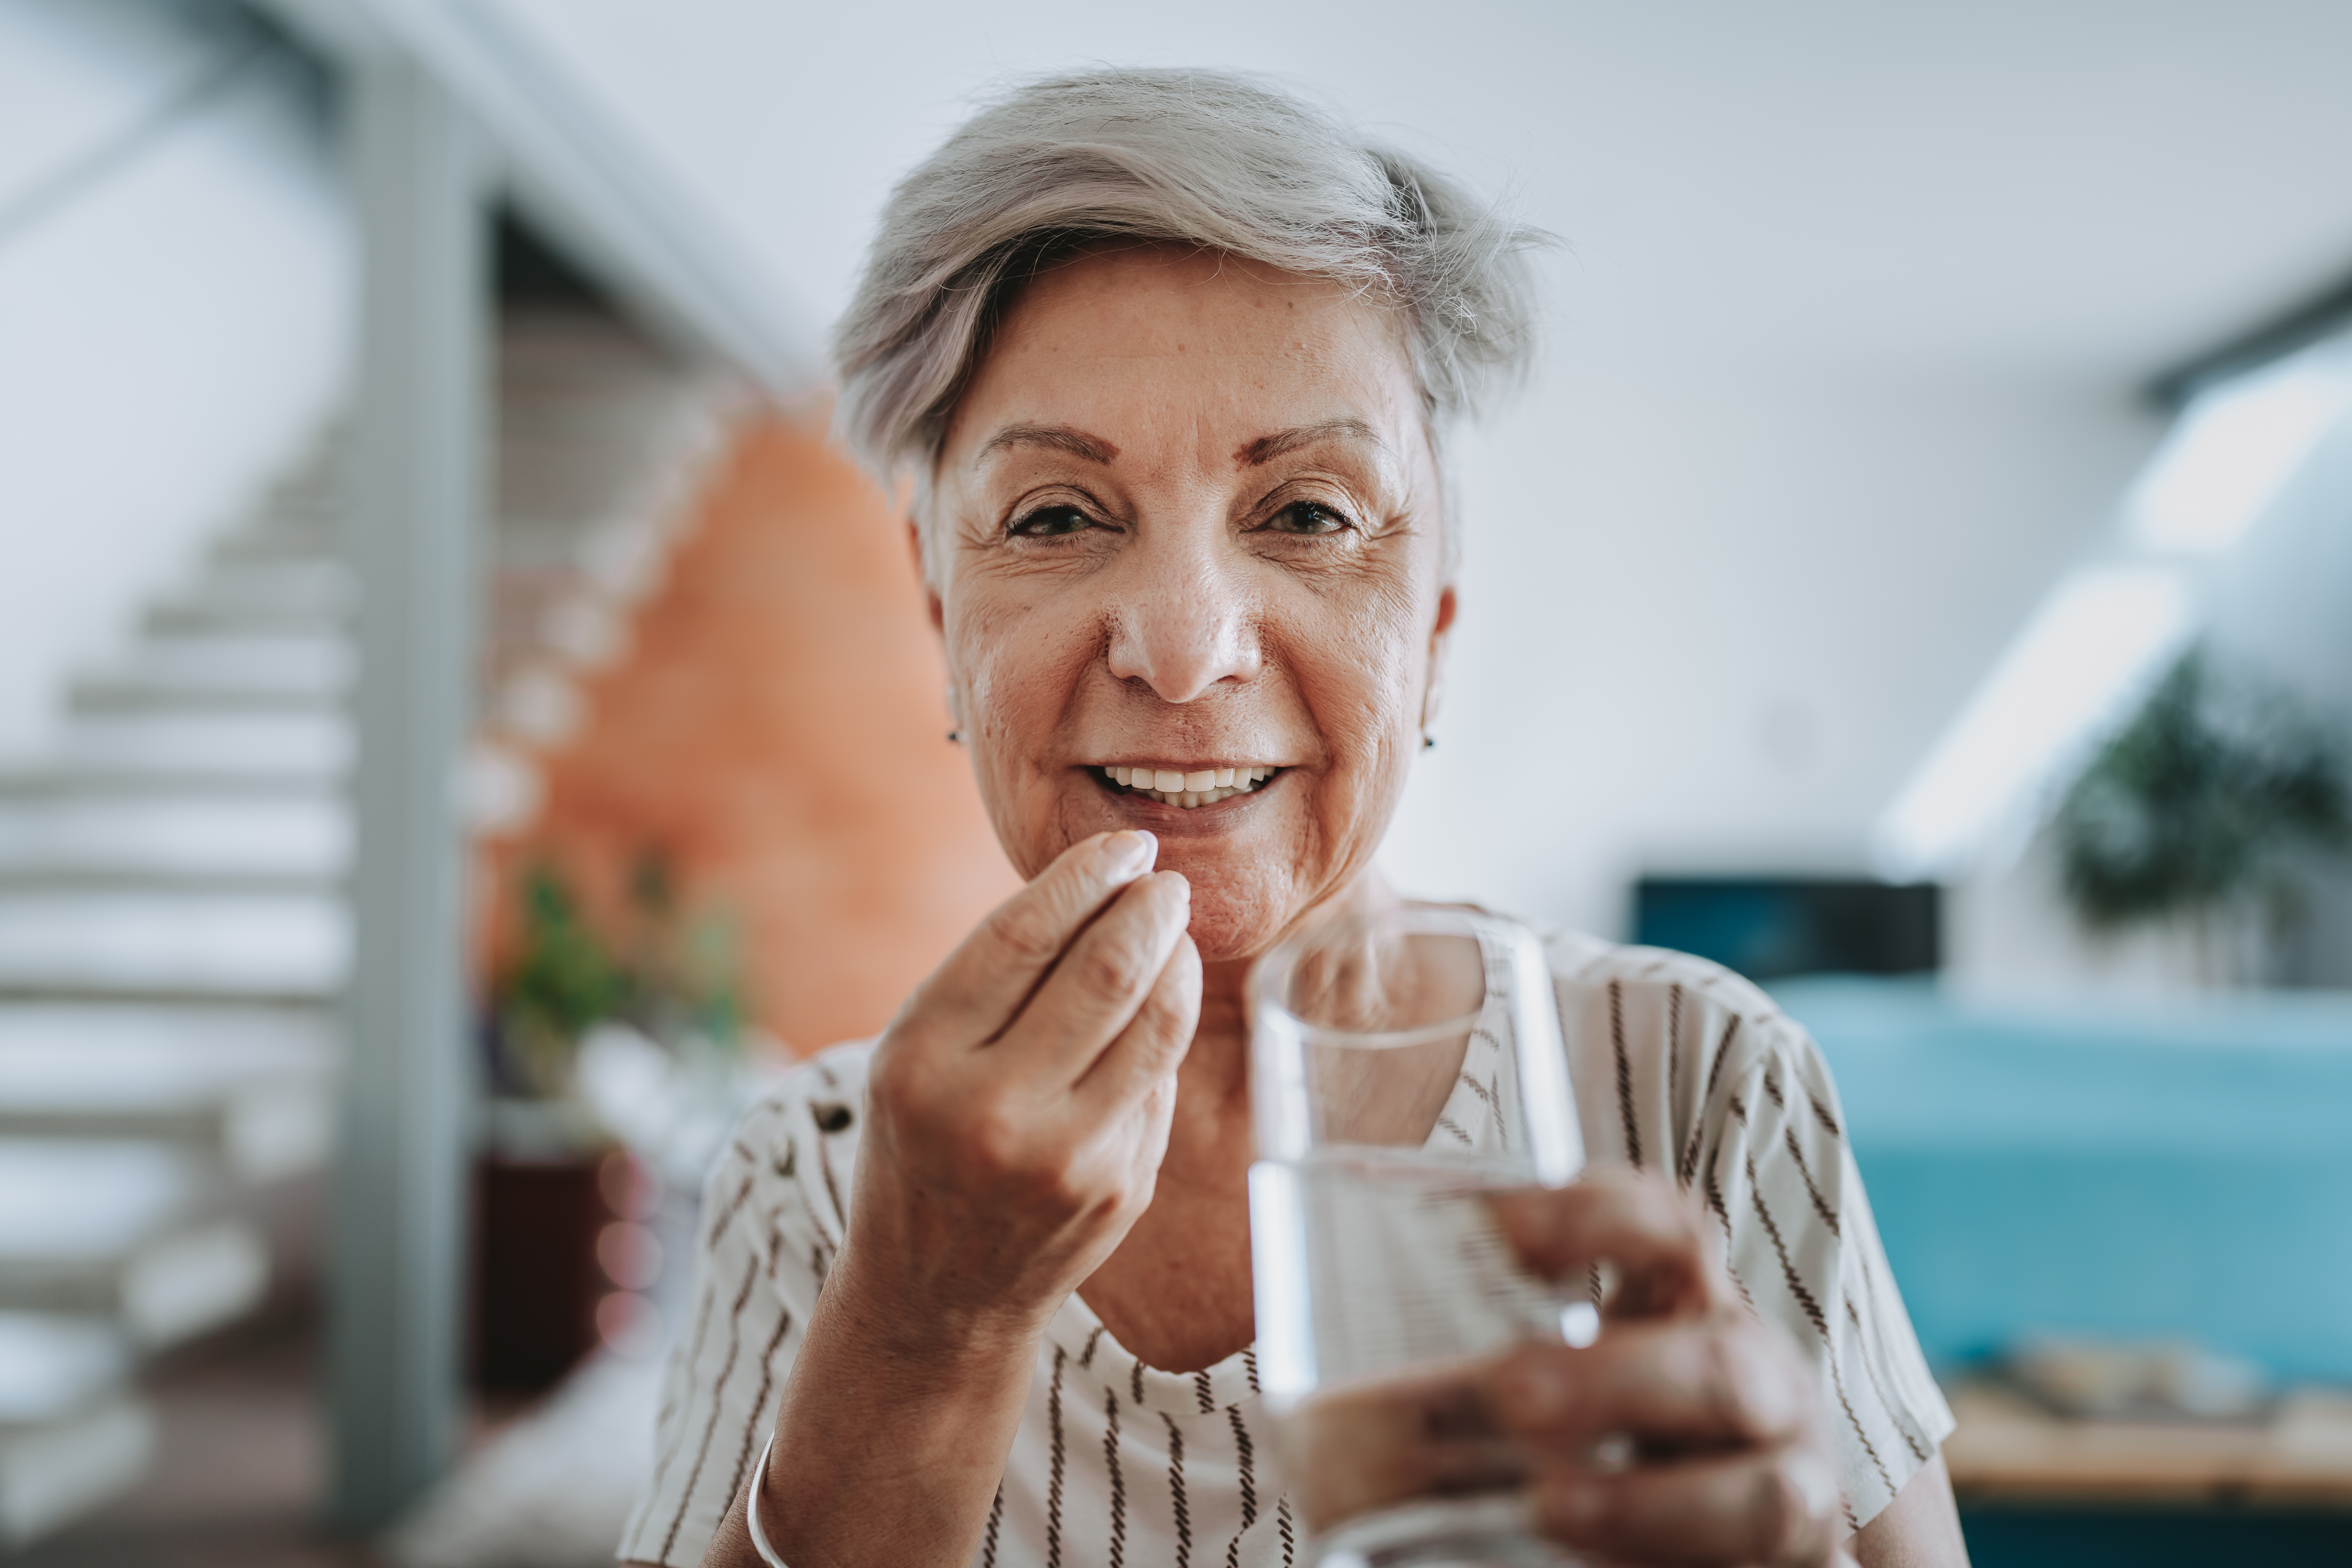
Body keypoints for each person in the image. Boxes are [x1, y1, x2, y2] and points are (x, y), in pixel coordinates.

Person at [620, 68, 1969, 1568]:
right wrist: (925, 1326)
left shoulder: (1702, 1087)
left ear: (1436, 623)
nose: (1185, 651)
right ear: (944, 609)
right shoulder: (811, 1169)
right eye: (1058, 515)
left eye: (1311, 514)